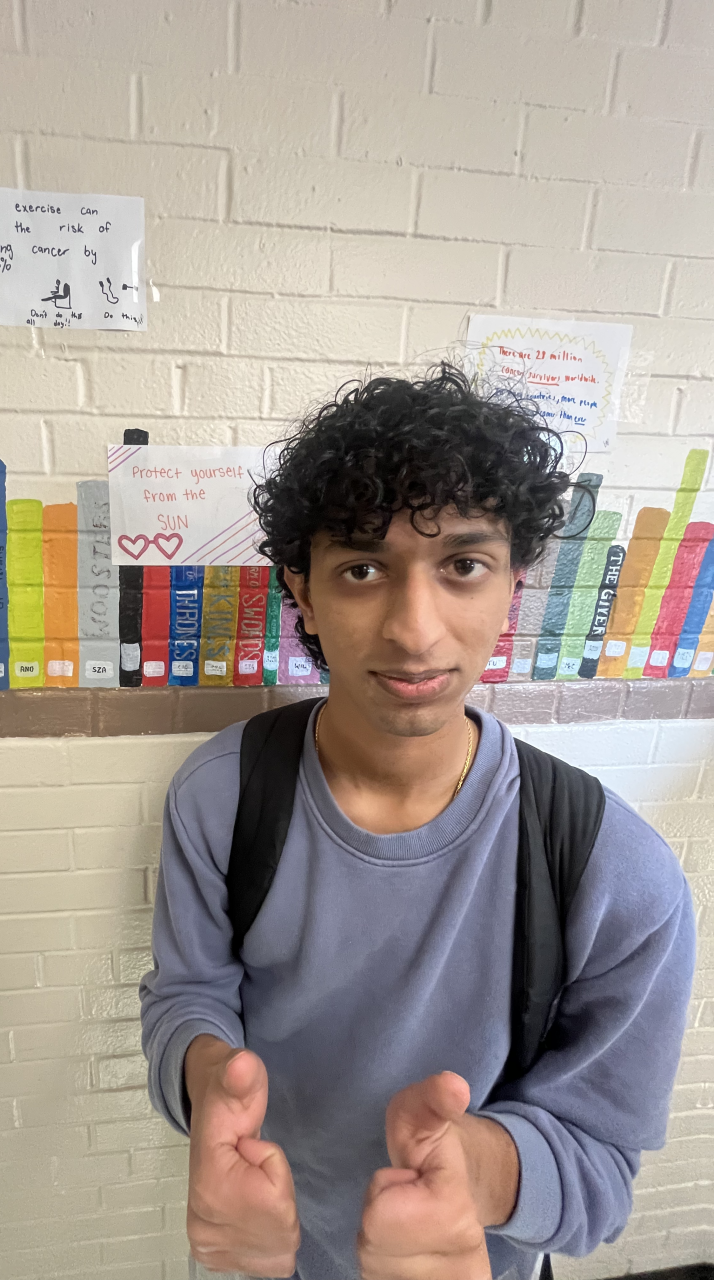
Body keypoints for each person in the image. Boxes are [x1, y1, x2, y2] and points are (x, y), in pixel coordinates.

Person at [139, 365, 696, 1280]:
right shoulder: (221, 794)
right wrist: (211, 1090)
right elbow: (187, 996)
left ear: (513, 584)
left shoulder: (615, 873)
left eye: (463, 566)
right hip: (261, 1256)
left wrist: (475, 1167)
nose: (415, 630)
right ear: (303, 592)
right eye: (362, 569)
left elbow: (600, 1168)